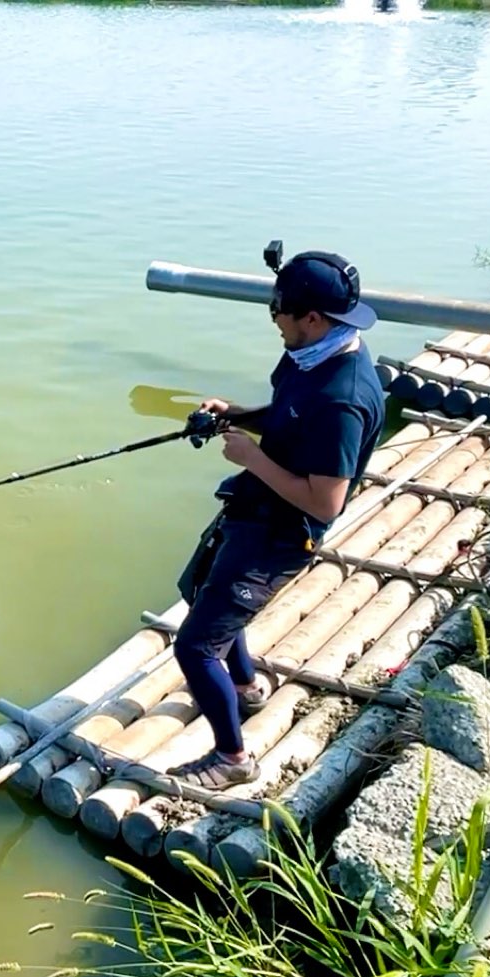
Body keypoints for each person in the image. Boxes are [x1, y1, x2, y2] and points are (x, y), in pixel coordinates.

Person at [169, 251, 386, 788]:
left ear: (311, 317)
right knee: (201, 593)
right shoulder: (311, 355)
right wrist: (236, 415)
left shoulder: (342, 400)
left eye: (278, 312)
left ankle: (232, 759)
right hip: (254, 509)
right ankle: (245, 688)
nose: (273, 320)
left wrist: (252, 458)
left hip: (284, 534)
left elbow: (325, 503)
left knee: (194, 647)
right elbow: (288, 414)